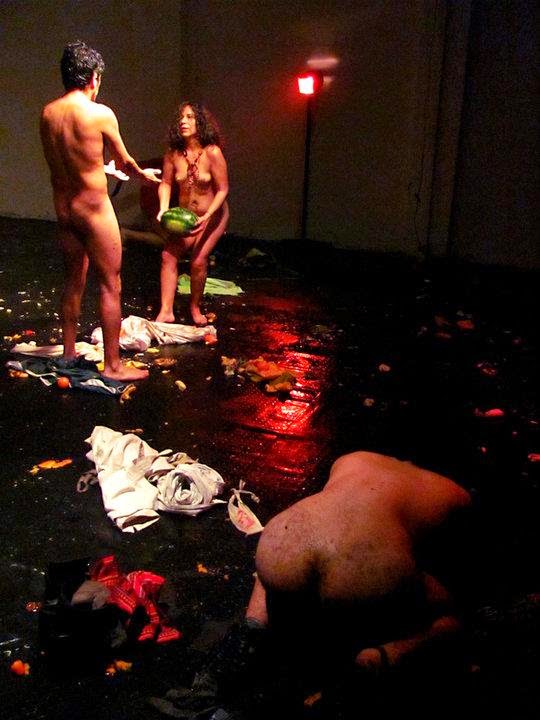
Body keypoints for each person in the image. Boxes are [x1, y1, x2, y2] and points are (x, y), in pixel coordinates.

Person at [150, 452, 473, 719]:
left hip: (287, 539)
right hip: (368, 563)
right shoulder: (454, 493)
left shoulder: (354, 458)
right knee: (450, 617)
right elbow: (448, 559)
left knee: (275, 571)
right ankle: (379, 658)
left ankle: (251, 633)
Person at [40, 40, 161, 381]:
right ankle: (113, 366)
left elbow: (69, 163)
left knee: (73, 280)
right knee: (110, 284)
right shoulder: (100, 113)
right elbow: (126, 162)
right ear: (93, 77)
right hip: (93, 212)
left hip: (65, 210)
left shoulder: (48, 114)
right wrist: (144, 176)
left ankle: (68, 352)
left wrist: (101, 169)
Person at [155, 102, 229, 326]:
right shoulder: (173, 154)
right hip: (186, 216)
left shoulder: (212, 152)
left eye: (189, 117)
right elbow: (166, 183)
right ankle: (166, 311)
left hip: (213, 215)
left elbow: (223, 189)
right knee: (168, 256)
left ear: (201, 122)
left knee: (198, 260)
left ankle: (195, 307)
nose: (183, 121)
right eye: (181, 117)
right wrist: (163, 208)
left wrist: (207, 216)